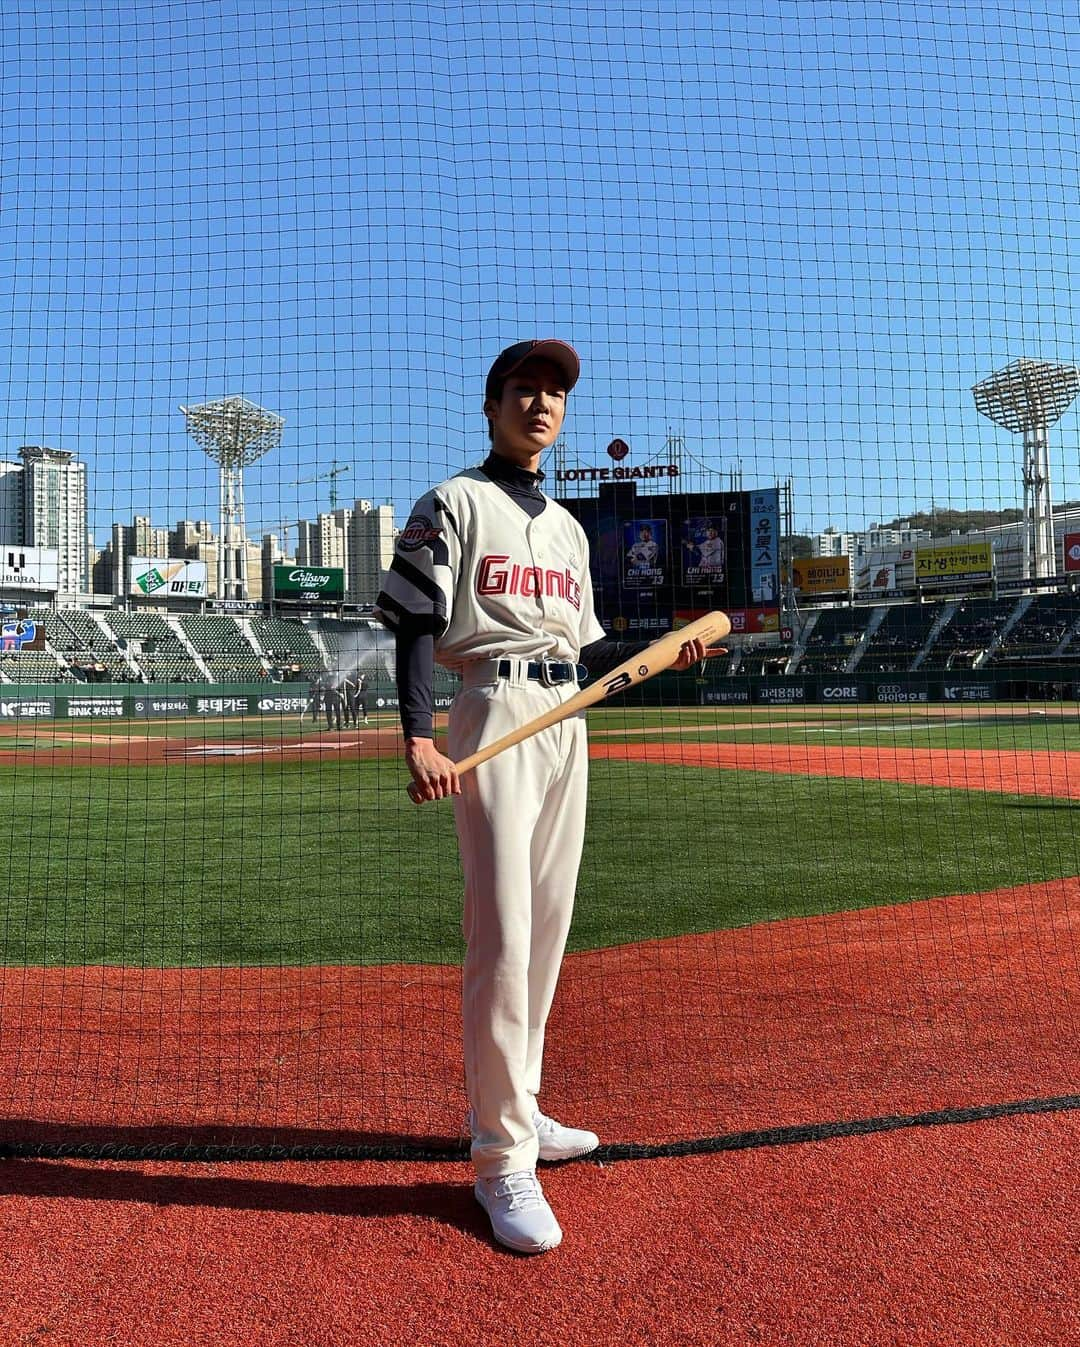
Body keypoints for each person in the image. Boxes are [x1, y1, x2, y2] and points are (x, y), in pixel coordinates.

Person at [375, 340, 716, 1255]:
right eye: (525, 390)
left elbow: (589, 651)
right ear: (492, 407)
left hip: (567, 716)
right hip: (492, 710)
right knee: (505, 933)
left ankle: (519, 1109)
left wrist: (665, 653)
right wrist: (418, 733)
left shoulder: (567, 530)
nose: (541, 404)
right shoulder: (452, 502)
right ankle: (500, 1161)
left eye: (555, 394)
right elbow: (412, 619)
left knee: (550, 927)